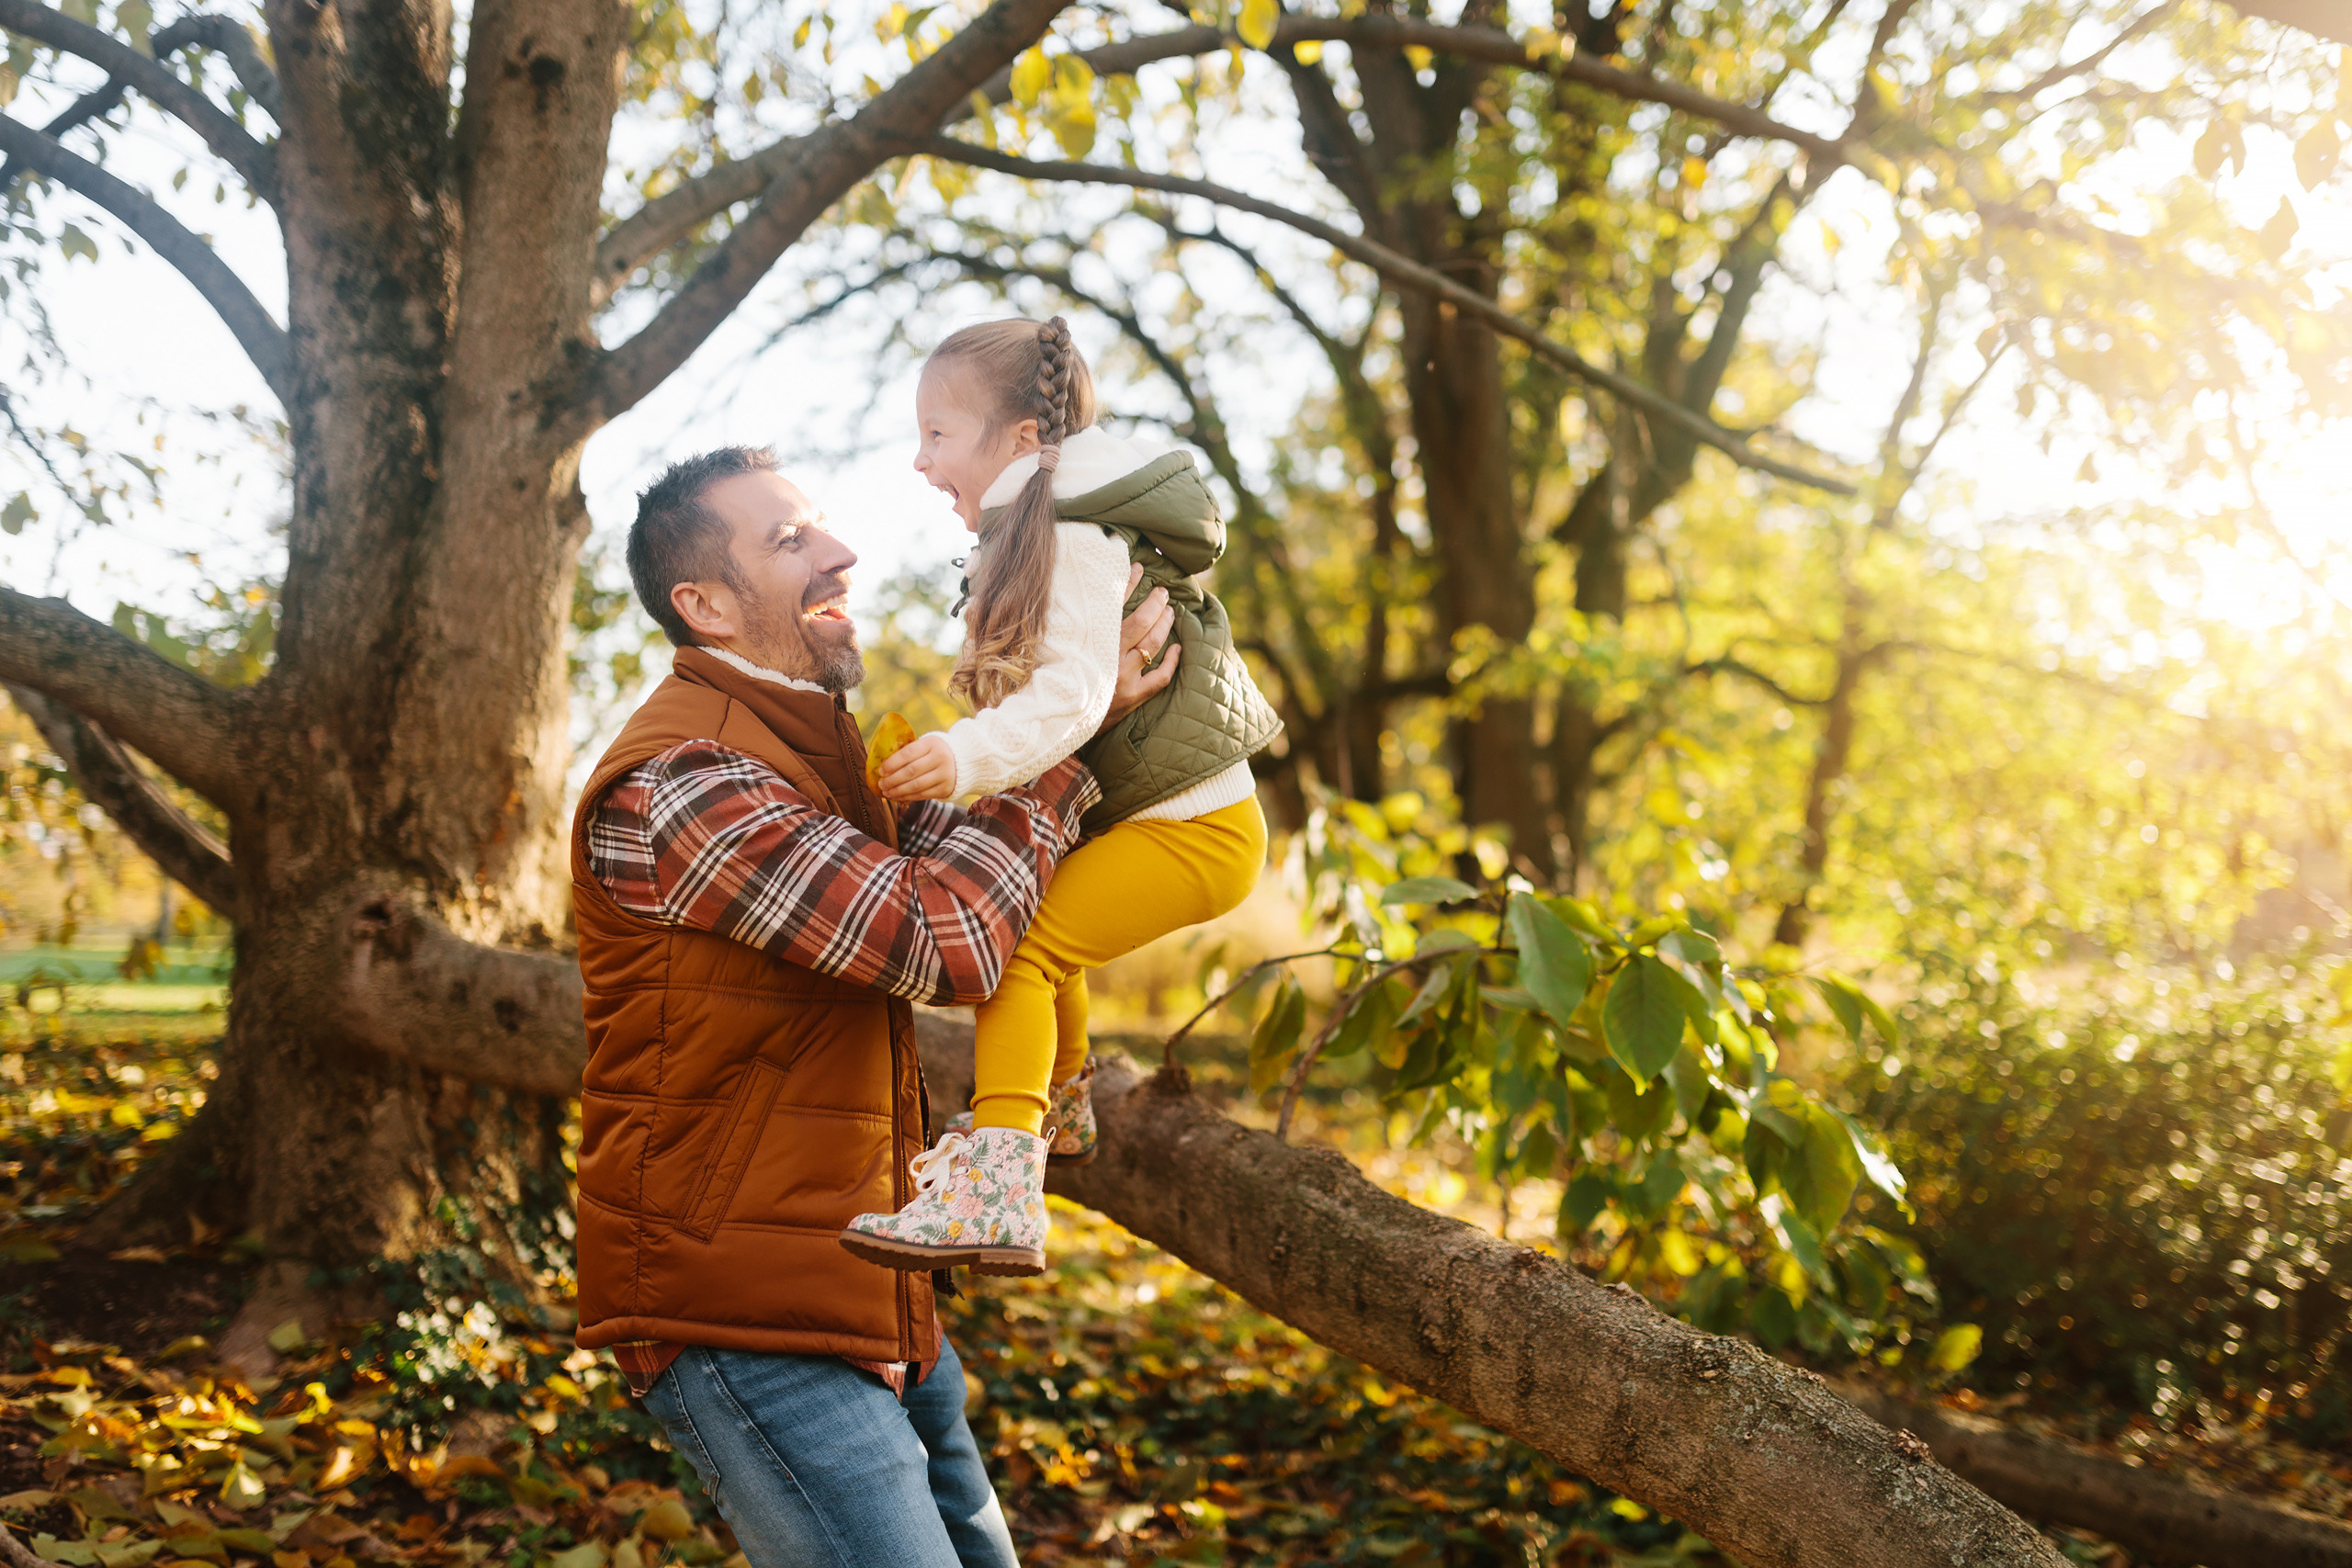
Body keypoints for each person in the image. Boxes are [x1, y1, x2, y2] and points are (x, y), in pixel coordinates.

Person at [569, 446, 1177, 1568]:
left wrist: (1053, 697)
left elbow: (957, 871)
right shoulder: (688, 782)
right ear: (702, 605)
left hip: (854, 1278)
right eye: (789, 541)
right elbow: (942, 939)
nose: (841, 551)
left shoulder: (814, 756)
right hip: (740, 1311)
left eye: (823, 527)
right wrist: (1059, 749)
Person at [837, 317, 1282, 1279]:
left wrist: (965, 757)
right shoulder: (1041, 528)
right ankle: (1065, 1100)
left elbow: (1074, 696)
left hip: (1195, 831)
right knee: (1040, 915)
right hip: (1182, 824)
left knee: (1021, 953)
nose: (919, 461)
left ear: (1023, 442)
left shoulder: (1074, 533)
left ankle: (998, 1181)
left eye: (937, 435)